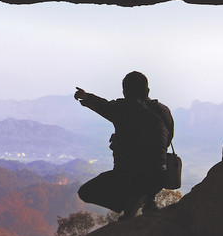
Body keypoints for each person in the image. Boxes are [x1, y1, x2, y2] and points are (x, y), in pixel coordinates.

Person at [74, 71, 174, 218]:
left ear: (125, 92)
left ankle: (130, 202)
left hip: (130, 176)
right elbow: (166, 140)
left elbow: (103, 106)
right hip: (160, 177)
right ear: (147, 91)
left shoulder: (123, 108)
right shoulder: (164, 110)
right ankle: (148, 200)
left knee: (86, 192)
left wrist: (86, 97)